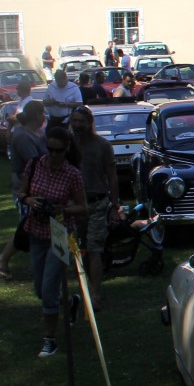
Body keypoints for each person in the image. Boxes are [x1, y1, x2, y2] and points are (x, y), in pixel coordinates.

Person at [20, 125, 87, 358]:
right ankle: (69, 303)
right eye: (50, 149)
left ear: (66, 149)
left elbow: (83, 207)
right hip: (36, 231)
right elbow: (21, 192)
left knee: (48, 289)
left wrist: (63, 209)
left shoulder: (72, 174)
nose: (53, 154)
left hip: (60, 234)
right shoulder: (35, 164)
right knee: (40, 289)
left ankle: (49, 340)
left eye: (58, 150)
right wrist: (30, 200)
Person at [69, 105, 119, 308]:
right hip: (74, 205)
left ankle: (96, 294)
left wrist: (115, 205)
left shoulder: (102, 145)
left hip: (98, 203)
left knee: (94, 248)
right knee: (77, 248)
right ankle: (84, 287)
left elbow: (112, 176)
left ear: (89, 123)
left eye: (81, 121)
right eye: (74, 121)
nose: (78, 125)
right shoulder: (68, 146)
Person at [0, 100, 46, 280]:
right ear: (37, 115)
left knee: (31, 227)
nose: (45, 116)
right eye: (43, 113)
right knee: (26, 227)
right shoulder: (23, 136)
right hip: (25, 189)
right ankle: (2, 259)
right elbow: (35, 163)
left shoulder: (35, 132)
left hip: (36, 187)